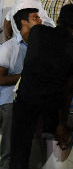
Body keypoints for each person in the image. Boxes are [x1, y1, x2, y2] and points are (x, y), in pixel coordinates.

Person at [9, 4, 73, 169]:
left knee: (18, 153)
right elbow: (68, 90)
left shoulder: (38, 32)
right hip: (51, 105)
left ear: (58, 19)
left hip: (26, 99)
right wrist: (62, 123)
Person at [0, 9, 42, 168]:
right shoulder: (9, 47)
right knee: (9, 150)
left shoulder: (37, 46)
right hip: (11, 102)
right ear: (24, 22)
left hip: (31, 102)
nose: (40, 20)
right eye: (35, 18)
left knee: (28, 150)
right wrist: (25, 76)